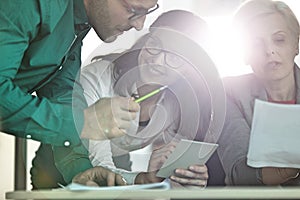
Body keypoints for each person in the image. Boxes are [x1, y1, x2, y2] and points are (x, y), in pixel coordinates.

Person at [0, 0, 159, 189]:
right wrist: (85, 122)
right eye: (133, 10)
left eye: (148, 12)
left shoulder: (77, 23)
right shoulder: (29, 5)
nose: (139, 25)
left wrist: (81, 172)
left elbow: (63, 94)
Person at [81, 10, 224, 187]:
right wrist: (144, 179)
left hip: (119, 166)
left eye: (174, 57)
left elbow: (171, 177)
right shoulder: (97, 79)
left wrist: (187, 180)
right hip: (65, 165)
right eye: (155, 45)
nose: (156, 61)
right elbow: (95, 168)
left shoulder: (179, 103)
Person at [218, 0, 300, 185]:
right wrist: (288, 168)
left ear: (296, 45)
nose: (269, 50)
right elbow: (240, 173)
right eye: (256, 44)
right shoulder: (229, 93)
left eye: (279, 40)